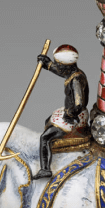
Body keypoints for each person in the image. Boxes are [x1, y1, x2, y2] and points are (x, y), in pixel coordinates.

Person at [33, 45, 89, 180]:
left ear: (67, 66)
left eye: (59, 65)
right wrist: (48, 64)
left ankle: (45, 169)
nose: (58, 68)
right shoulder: (74, 72)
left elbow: (79, 104)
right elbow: (61, 72)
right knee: (48, 120)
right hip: (71, 112)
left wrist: (69, 114)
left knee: (44, 138)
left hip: (75, 116)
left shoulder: (76, 80)